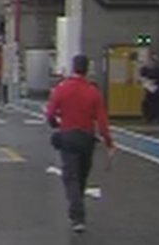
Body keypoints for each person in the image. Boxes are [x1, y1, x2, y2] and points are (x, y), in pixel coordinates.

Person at [44, 54, 115, 233]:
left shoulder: (62, 89)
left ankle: (77, 216)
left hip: (68, 137)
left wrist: (56, 125)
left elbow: (50, 113)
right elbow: (102, 121)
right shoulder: (93, 92)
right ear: (87, 69)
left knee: (71, 178)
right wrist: (109, 143)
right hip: (86, 139)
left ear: (73, 68)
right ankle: (78, 207)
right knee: (81, 176)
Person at [139, 53, 159, 124]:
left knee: (156, 104)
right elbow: (142, 77)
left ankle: (155, 117)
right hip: (148, 88)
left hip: (156, 89)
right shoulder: (145, 69)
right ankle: (148, 117)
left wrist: (155, 82)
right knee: (147, 103)